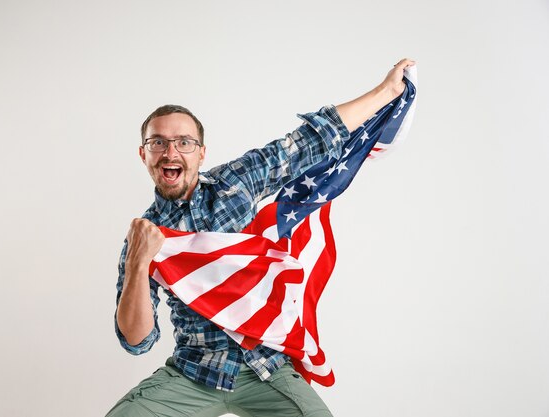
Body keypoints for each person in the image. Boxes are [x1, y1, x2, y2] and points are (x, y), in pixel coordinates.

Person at [106, 59, 416, 417]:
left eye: (184, 142)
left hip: (264, 369)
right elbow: (137, 341)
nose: (171, 152)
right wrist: (138, 261)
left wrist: (385, 92)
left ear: (201, 153)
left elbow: (306, 143)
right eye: (158, 142)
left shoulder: (234, 183)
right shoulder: (144, 235)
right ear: (143, 154)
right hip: (193, 373)